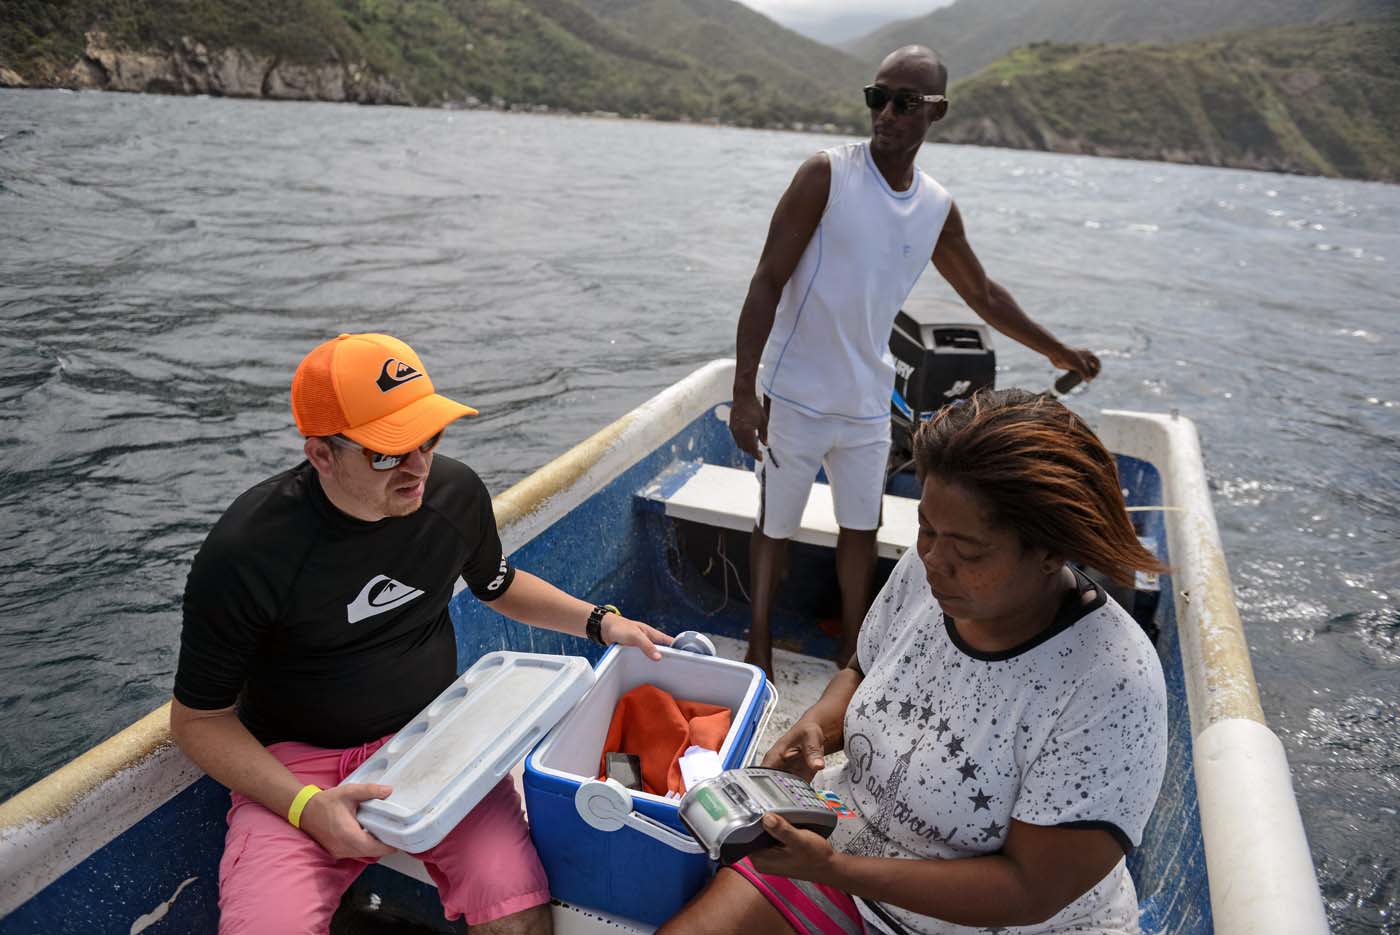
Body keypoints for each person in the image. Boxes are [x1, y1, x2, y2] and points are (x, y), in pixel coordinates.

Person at [170, 332, 671, 935]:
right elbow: (199, 719)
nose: (417, 468)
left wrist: (601, 622)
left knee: (515, 911)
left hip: (437, 741)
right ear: (321, 455)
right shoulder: (247, 551)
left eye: (428, 438)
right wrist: (305, 807)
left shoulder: (453, 495)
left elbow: (497, 583)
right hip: (296, 769)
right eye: (386, 453)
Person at [662, 388, 1169, 935]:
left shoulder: (1112, 683)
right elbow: (863, 668)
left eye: (968, 553)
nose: (933, 561)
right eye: (926, 529)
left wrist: (837, 869)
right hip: (849, 854)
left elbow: (1028, 890)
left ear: (1051, 552)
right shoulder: (927, 570)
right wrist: (818, 726)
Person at [729, 45, 1103, 678]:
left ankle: (854, 651)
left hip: (867, 400)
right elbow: (766, 280)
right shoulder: (826, 175)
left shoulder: (935, 207)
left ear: (938, 111)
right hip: (794, 394)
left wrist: (1057, 351)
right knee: (775, 527)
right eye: (877, 97)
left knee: (860, 530)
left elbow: (982, 295)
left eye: (905, 102)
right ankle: (758, 643)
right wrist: (744, 392)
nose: (886, 113)